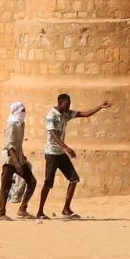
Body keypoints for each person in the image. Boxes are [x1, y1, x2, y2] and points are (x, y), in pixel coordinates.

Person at [33, 91, 111, 220]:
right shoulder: (51, 116)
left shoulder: (66, 114)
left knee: (74, 179)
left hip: (61, 154)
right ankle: (40, 211)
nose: (68, 107)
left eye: (69, 105)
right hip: (51, 154)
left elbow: (84, 114)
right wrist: (67, 148)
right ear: (60, 103)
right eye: (66, 104)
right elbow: (52, 134)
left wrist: (100, 107)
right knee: (48, 183)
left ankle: (66, 209)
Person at [0, 100, 36, 219]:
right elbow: (10, 145)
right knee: (5, 186)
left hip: (18, 157)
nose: (24, 113)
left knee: (31, 181)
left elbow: (17, 144)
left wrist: (21, 157)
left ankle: (22, 209)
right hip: (9, 159)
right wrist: (16, 162)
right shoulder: (12, 125)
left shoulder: (20, 123)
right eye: (22, 110)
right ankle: (1, 213)